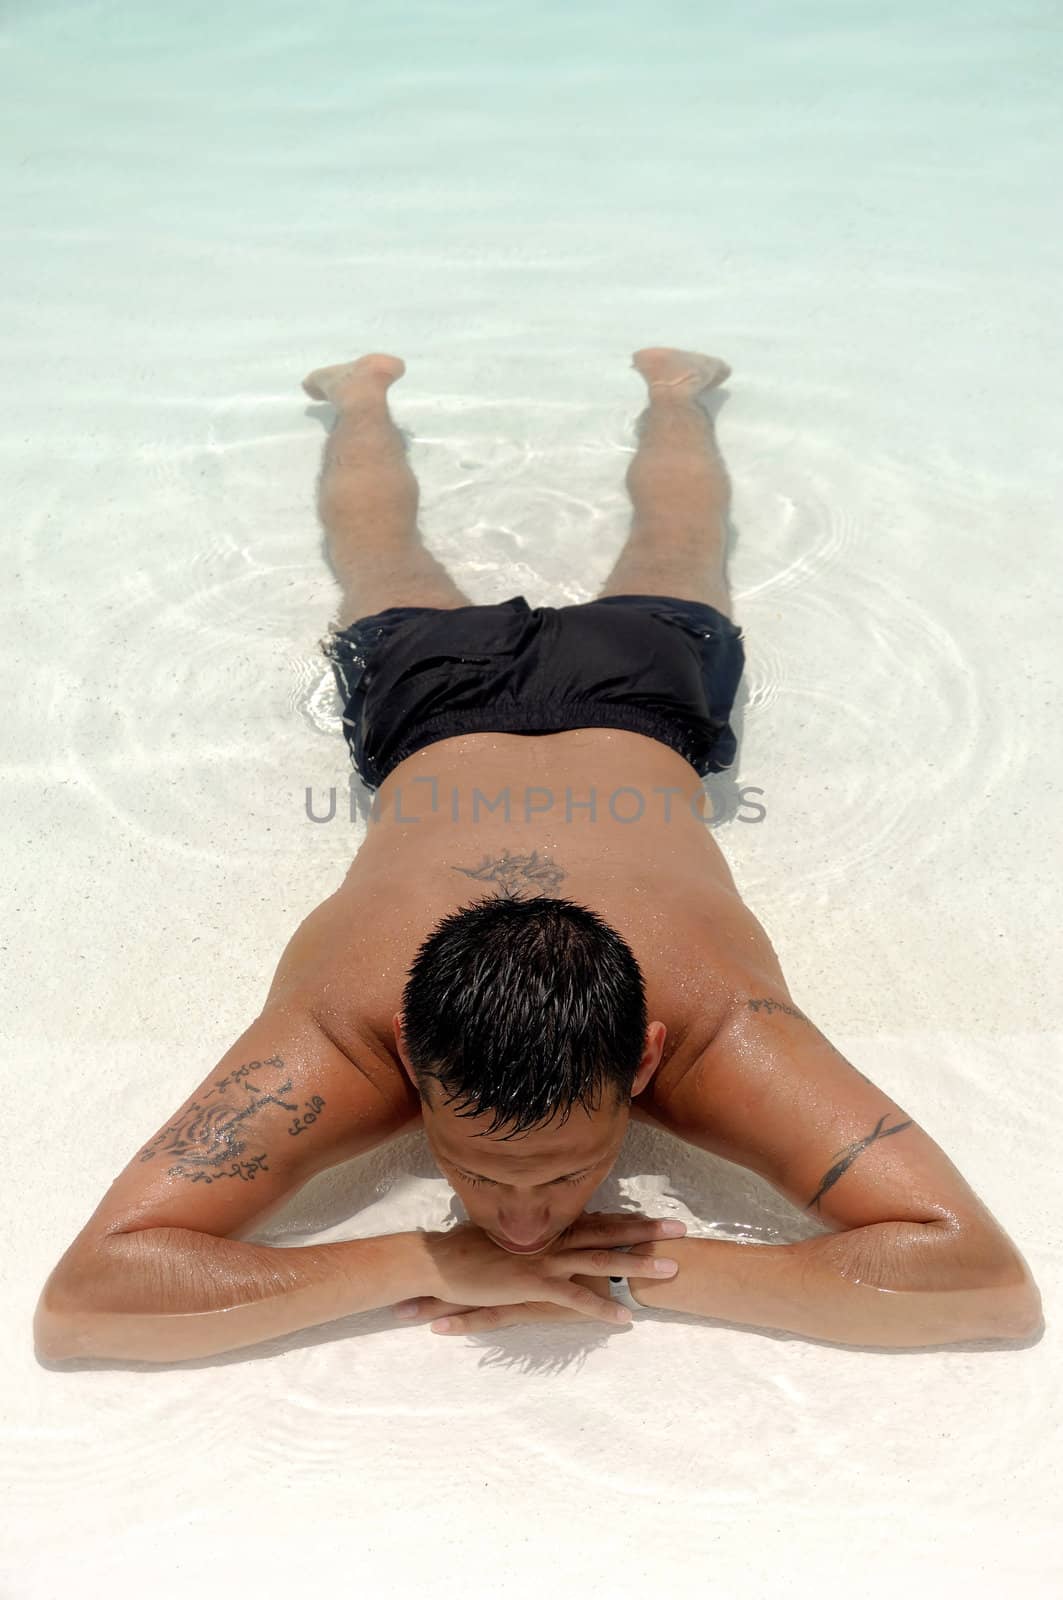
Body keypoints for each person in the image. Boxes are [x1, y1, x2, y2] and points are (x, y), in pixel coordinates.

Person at [34, 348, 1041, 1365]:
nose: (520, 1225)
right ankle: (367, 394)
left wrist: (607, 1269)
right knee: (393, 556)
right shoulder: (341, 1033)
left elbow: (988, 1288)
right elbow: (82, 1307)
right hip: (528, 716)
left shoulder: (718, 1030)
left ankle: (668, 392)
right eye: (476, 1173)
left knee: (653, 545)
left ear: (644, 1057)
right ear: (406, 1052)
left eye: (563, 1175)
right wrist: (431, 1258)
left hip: (527, 715)